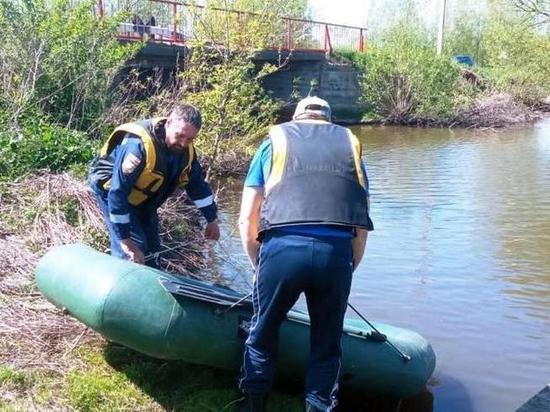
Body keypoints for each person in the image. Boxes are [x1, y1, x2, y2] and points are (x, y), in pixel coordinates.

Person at [237, 96, 374, 412]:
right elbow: (362, 218)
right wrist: (350, 264)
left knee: (263, 330)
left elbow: (248, 215)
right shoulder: (351, 146)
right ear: (329, 119)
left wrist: (257, 259)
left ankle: (254, 404)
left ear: (297, 118)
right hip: (335, 253)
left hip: (282, 248)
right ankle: (318, 406)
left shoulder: (274, 141)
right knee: (327, 343)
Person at [88, 105, 220, 267]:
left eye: (190, 139)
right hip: (111, 190)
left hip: (143, 199)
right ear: (168, 123)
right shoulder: (137, 146)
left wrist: (212, 219)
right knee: (134, 249)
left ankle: (150, 283)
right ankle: (121, 274)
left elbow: (197, 186)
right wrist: (125, 241)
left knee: (153, 252)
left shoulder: (186, 152)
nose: (184, 143)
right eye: (180, 136)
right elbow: (117, 193)